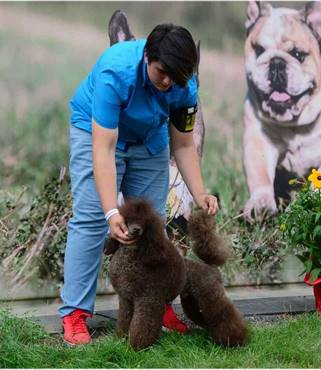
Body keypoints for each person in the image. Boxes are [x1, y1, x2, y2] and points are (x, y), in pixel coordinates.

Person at [59, 23, 219, 345]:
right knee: (91, 219)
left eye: (177, 76)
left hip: (149, 138)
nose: (168, 82)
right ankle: (75, 313)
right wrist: (110, 213)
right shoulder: (114, 71)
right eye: (162, 72)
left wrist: (200, 192)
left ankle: (157, 304)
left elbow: (184, 145)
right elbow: (104, 149)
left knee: (152, 226)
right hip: (98, 134)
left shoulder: (184, 86)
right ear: (148, 56)